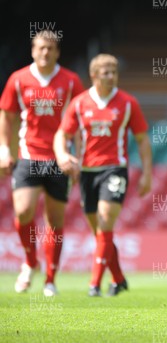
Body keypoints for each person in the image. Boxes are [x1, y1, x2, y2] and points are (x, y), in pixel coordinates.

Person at [53, 54, 152, 296]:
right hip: (87, 172)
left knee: (106, 219)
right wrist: (62, 156)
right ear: (94, 75)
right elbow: (61, 135)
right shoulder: (79, 103)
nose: (111, 76)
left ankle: (94, 284)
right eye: (105, 72)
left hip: (115, 169)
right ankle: (118, 278)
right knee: (100, 232)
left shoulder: (128, 103)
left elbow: (142, 139)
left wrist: (147, 173)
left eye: (114, 72)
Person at [0, 30, 85, 296]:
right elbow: (7, 116)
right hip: (28, 155)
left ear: (57, 52)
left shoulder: (70, 81)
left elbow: (83, 121)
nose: (45, 52)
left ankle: (50, 279)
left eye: (50, 48)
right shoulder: (18, 79)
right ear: (33, 50)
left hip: (59, 160)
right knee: (23, 212)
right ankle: (30, 261)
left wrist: (79, 157)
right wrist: (4, 149)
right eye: (40, 48)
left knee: (55, 222)